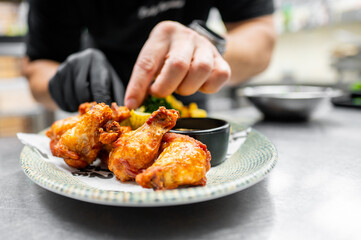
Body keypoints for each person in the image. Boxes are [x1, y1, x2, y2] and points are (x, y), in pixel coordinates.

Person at [21, 0, 276, 112]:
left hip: (190, 104)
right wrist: (62, 83)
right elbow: (38, 66)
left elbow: (261, 36)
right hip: (100, 105)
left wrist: (207, 50)